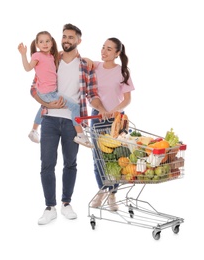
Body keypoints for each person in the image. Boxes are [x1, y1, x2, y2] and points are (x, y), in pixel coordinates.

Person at [30, 24, 107, 225]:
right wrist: (47, 103)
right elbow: (33, 88)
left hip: (73, 123)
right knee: (47, 164)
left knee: (70, 163)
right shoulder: (50, 60)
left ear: (78, 40)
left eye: (71, 37)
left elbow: (91, 94)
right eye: (64, 36)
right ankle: (50, 207)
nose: (66, 39)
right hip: (49, 119)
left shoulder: (85, 65)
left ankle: (66, 203)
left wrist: (103, 109)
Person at [18, 31, 93, 148]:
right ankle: (80, 134)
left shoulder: (53, 57)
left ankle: (33, 130)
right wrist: (23, 54)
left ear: (52, 42)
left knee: (44, 106)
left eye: (47, 41)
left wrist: (85, 58)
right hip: (47, 93)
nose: (45, 44)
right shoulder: (37, 56)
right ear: (37, 44)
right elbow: (28, 68)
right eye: (41, 42)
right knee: (75, 107)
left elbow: (68, 55)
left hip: (49, 92)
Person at [89, 37, 135, 211]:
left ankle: (112, 194)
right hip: (97, 117)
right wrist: (101, 110)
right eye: (103, 47)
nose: (104, 51)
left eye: (109, 49)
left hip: (117, 119)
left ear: (117, 53)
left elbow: (128, 99)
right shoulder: (95, 67)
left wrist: (115, 109)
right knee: (99, 158)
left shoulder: (123, 71)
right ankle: (102, 191)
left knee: (116, 158)